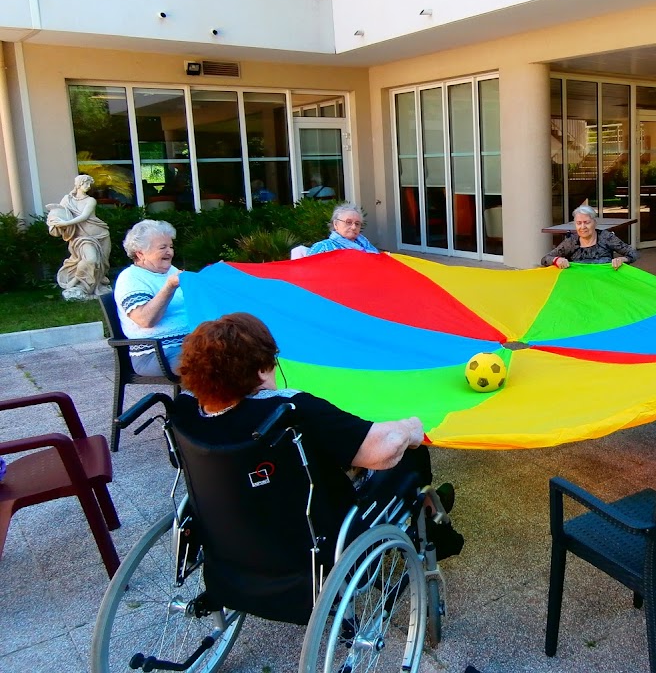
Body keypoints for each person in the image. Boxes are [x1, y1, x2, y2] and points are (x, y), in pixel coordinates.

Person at [173, 312, 462, 562]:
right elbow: (381, 452)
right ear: (261, 369)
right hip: (315, 540)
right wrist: (410, 427)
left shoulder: (186, 414)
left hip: (232, 539)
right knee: (410, 453)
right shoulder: (289, 410)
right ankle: (432, 526)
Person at [113, 219, 189, 376]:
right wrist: (169, 287)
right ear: (140, 253)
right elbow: (146, 320)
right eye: (163, 247)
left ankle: (241, 400)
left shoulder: (170, 271)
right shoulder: (131, 278)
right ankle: (193, 400)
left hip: (189, 344)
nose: (170, 252)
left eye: (171, 246)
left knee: (244, 354)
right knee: (214, 365)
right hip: (156, 354)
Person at [46, 174, 112, 301]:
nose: (88, 186)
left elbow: (84, 216)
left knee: (100, 264)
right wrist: (53, 224)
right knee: (91, 259)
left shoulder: (90, 200)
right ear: (78, 185)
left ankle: (92, 286)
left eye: (89, 184)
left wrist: (65, 223)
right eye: (85, 183)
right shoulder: (67, 200)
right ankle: (76, 281)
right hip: (81, 237)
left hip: (101, 235)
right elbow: (58, 213)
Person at [541, 204, 638, 270]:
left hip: (604, 284)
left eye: (587, 222)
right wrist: (557, 260)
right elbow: (545, 259)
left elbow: (633, 253)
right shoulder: (571, 242)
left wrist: (622, 260)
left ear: (595, 223)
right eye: (579, 223)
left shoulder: (606, 237)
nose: (583, 227)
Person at [309, 203, 380, 255]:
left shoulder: (365, 245)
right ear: (336, 224)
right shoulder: (323, 247)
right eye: (348, 222)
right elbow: (308, 270)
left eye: (357, 223)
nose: (354, 227)